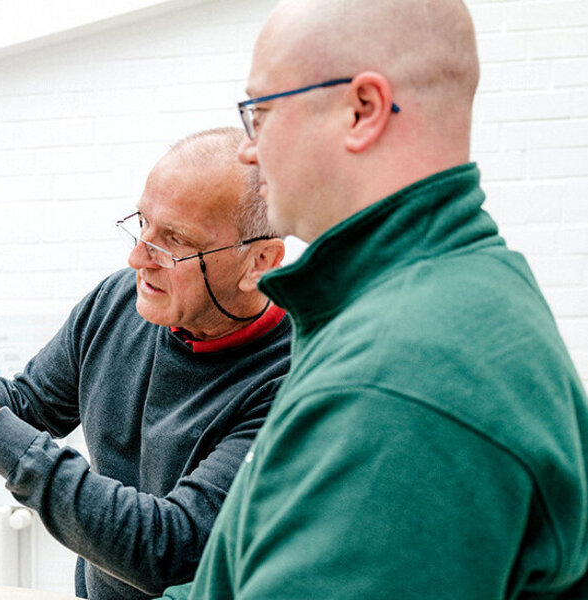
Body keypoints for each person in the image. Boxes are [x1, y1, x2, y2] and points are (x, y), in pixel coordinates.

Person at [160, 1, 588, 598]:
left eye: (262, 113)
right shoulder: (437, 297)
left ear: (362, 110)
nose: (247, 151)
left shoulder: (400, 375)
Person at [0, 127, 292, 600]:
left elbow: (172, 549)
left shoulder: (292, 377)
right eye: (143, 223)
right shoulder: (117, 301)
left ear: (259, 261)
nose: (137, 257)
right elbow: (30, 405)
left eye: (174, 240)